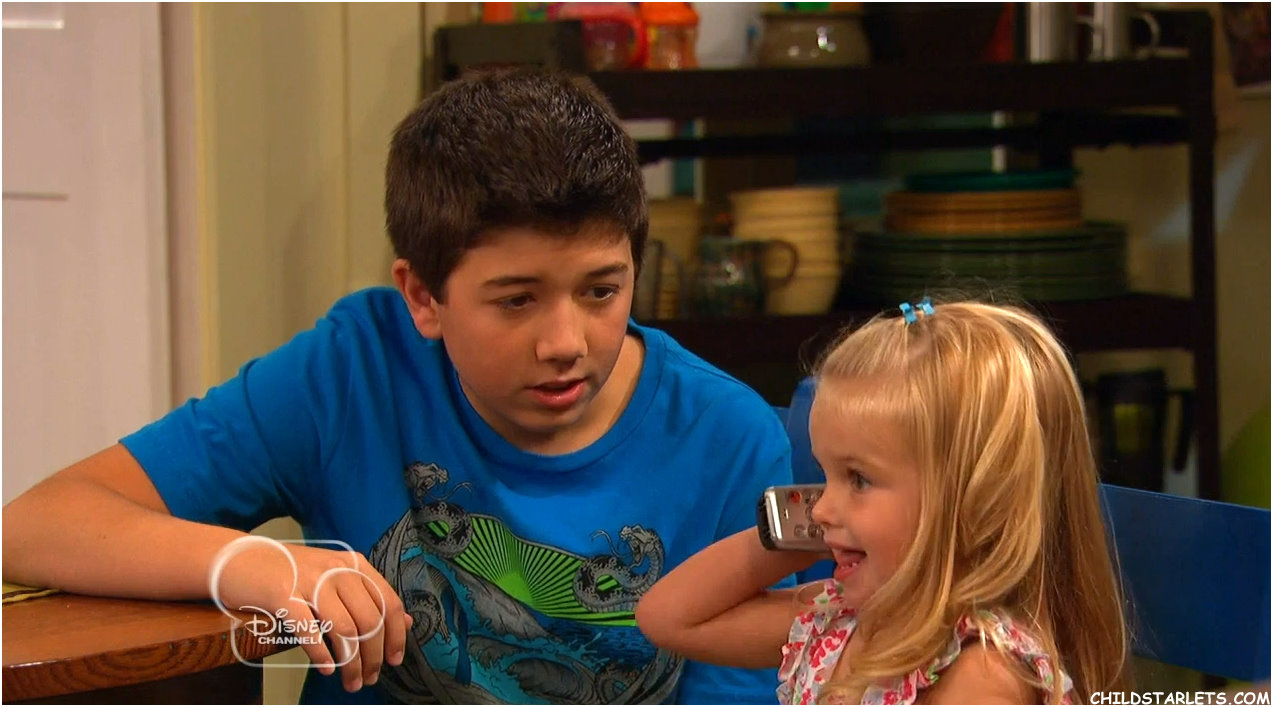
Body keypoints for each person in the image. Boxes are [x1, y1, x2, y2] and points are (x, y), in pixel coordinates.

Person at [3, 68, 794, 705]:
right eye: (516, 300)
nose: (565, 342)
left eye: (601, 290)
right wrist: (251, 564)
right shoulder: (351, 371)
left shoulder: (727, 437)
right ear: (422, 297)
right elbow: (35, 525)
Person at [635, 299, 1132, 704]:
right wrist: (802, 531)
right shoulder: (838, 619)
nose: (821, 508)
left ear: (972, 499)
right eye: (825, 476)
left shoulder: (981, 671)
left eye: (858, 478)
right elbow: (666, 617)